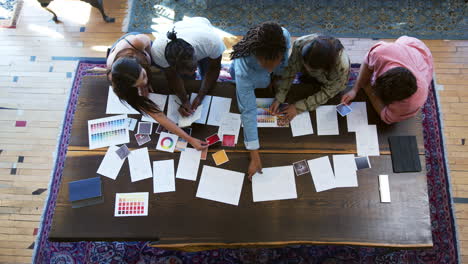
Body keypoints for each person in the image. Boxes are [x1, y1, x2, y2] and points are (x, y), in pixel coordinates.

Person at [107, 33, 207, 150]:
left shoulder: (136, 43)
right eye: (138, 84)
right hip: (123, 63)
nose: (144, 82)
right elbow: (157, 115)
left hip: (137, 50)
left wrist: (150, 63)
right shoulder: (118, 85)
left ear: (139, 63)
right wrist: (189, 139)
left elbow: (149, 45)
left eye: (144, 75)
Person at [230, 22, 291, 180]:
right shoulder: (242, 70)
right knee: (244, 98)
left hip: (266, 82)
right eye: (265, 64)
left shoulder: (283, 36)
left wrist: (274, 78)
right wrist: (254, 155)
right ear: (256, 56)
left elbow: (283, 65)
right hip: (249, 80)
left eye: (275, 61)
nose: (270, 68)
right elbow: (248, 111)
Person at [341, 36, 433, 124]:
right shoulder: (381, 52)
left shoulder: (413, 101)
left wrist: (368, 88)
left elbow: (387, 117)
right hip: (411, 48)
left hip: (423, 63)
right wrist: (355, 89)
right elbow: (366, 62)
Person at [151, 17, 226, 117]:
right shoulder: (158, 53)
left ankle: (197, 75)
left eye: (193, 68)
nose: (192, 72)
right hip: (179, 37)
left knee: (206, 72)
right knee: (188, 80)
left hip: (200, 26)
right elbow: (172, 77)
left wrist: (200, 96)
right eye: (185, 71)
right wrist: (184, 100)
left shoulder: (211, 43)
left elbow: (214, 68)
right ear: (172, 66)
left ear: (196, 56)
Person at [269, 34, 350, 120]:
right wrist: (279, 97)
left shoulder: (341, 67)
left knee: (334, 95)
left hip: (332, 80)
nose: (307, 69)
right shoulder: (300, 44)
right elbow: (291, 70)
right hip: (319, 74)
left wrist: (298, 108)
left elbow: (328, 92)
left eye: (312, 70)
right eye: (304, 64)